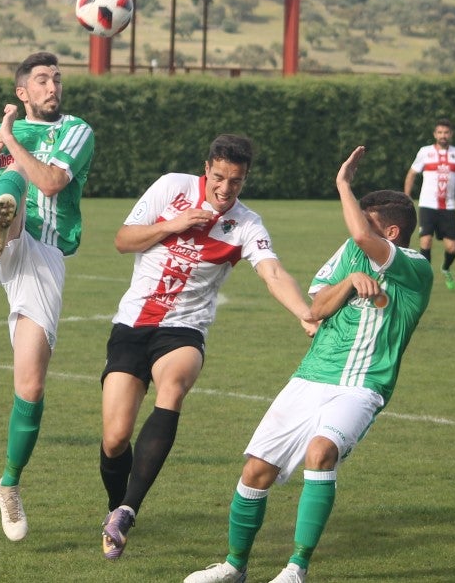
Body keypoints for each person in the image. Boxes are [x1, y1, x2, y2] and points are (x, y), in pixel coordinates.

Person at [185, 146, 433, 583]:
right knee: (255, 471)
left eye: (369, 222)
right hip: (310, 376)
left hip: (362, 386)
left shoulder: (415, 268)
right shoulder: (349, 254)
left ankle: (296, 568)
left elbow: (361, 237)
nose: (357, 228)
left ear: (391, 232)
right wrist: (349, 284)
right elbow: (316, 309)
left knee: (322, 454)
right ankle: (233, 566)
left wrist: (343, 185)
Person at [99, 134, 317, 561]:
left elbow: (272, 272)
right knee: (114, 438)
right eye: (219, 177)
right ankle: (114, 507)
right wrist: (171, 225)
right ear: (206, 169)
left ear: (244, 179)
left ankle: (128, 509)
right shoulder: (171, 187)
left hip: (183, 329)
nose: (225, 189)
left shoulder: (247, 224)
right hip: (132, 324)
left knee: (172, 388)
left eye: (235, 182)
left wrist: (304, 313)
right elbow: (123, 239)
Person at [0, 51, 94, 542]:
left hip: (43, 256)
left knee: (32, 386)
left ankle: (9, 483)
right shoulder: (6, 134)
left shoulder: (77, 130)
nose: (52, 86)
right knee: (4, 194)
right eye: (42, 80)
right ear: (23, 92)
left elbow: (53, 180)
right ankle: (8, 216)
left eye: (57, 79)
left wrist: (9, 142)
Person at [403, 118, 455, 290]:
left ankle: (446, 268)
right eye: (440, 132)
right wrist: (406, 196)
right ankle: (424, 278)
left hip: (448, 207)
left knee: (451, 247)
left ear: (451, 134)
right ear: (435, 134)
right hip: (427, 205)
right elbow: (411, 174)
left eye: (446, 132)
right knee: (425, 242)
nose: (443, 135)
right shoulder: (425, 152)